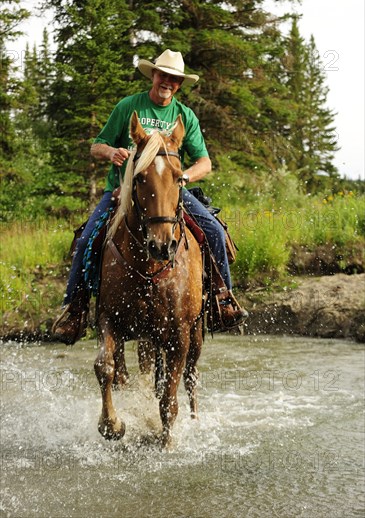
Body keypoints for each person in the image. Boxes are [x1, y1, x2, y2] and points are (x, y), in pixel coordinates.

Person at [52, 49, 247, 344]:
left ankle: (222, 300)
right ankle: (74, 310)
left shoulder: (185, 116)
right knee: (87, 239)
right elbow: (97, 145)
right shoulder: (129, 107)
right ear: (153, 75)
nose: (167, 82)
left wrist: (185, 177)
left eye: (174, 79)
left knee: (215, 232)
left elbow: (204, 162)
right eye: (163, 75)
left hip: (170, 192)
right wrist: (111, 151)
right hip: (124, 191)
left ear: (179, 84)